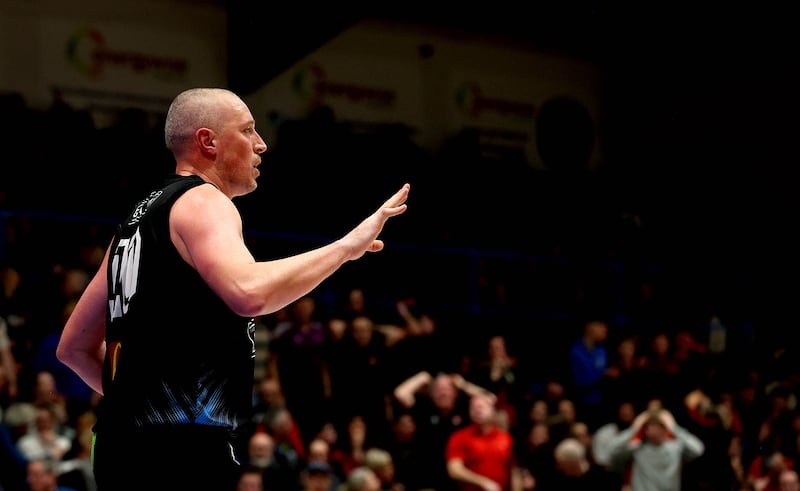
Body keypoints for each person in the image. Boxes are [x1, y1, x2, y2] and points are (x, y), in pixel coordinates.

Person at [55, 87, 411, 491]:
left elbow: (73, 348)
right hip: (182, 452)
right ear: (208, 141)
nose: (261, 144)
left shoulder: (133, 225)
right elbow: (248, 294)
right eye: (247, 130)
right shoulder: (204, 202)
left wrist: (138, 401)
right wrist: (348, 248)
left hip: (121, 447)